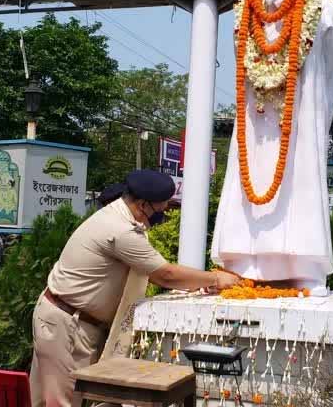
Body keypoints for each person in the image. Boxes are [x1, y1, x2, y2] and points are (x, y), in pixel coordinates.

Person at [29, 169, 240, 407]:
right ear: (142, 205)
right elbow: (165, 275)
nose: (160, 218)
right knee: (63, 402)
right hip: (68, 324)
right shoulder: (120, 230)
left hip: (73, 321)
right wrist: (215, 279)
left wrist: (196, 285)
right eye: (159, 212)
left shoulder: (119, 217)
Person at [212, 0, 333, 296]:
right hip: (254, 120)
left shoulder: (325, 10)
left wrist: (318, 118)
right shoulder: (244, 15)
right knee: (247, 175)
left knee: (299, 179)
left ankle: (303, 267)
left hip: (299, 120)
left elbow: (332, 71)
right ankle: (244, 262)